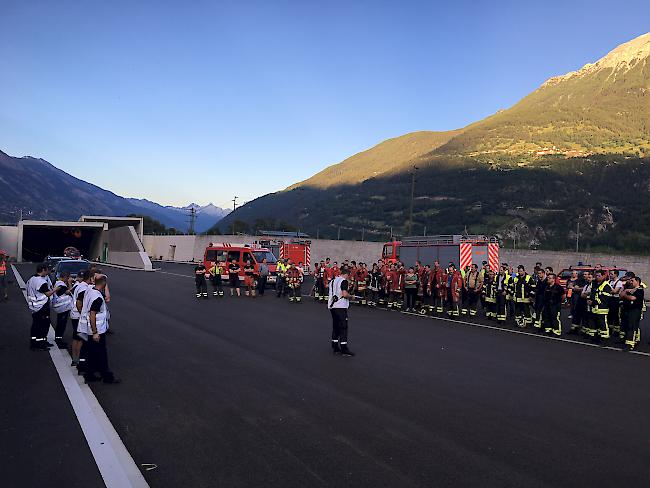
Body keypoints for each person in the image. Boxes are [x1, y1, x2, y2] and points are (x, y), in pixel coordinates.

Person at [79, 275, 120, 384]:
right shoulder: (97, 298)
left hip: (88, 329)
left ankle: (90, 375)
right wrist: (95, 332)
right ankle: (107, 377)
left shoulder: (90, 290)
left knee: (92, 354)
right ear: (104, 284)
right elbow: (93, 314)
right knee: (101, 354)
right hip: (97, 331)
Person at [26, 264, 60, 350]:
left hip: (34, 306)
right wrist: (56, 289)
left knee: (36, 325)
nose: (48, 272)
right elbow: (48, 293)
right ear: (43, 270)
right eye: (47, 270)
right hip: (41, 306)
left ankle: (35, 343)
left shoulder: (32, 279)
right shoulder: (41, 282)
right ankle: (40, 344)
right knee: (43, 326)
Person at [328, 267, 354, 356]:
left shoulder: (333, 281)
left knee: (336, 326)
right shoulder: (344, 281)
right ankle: (344, 348)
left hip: (332, 306)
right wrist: (351, 297)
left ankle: (335, 346)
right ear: (347, 274)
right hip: (341, 306)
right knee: (343, 327)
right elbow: (344, 294)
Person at [70, 271, 92, 369]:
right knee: (81, 339)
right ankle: (78, 359)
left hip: (74, 314)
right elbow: (79, 303)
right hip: (79, 316)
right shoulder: (84, 288)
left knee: (76, 337)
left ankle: (75, 358)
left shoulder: (78, 285)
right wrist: (82, 313)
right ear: (89, 278)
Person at [587, 270, 613, 343]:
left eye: (599, 276)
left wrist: (594, 302)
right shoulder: (594, 283)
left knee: (602, 324)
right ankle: (594, 337)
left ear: (603, 276)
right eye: (596, 276)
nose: (597, 277)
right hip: (593, 307)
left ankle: (604, 338)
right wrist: (589, 299)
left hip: (602, 308)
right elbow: (591, 293)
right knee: (593, 323)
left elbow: (605, 298)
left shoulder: (606, 285)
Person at [620, 276, 644, 351]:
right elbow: (621, 295)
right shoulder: (629, 289)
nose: (630, 282)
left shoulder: (639, 290)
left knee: (632, 326)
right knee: (628, 326)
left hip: (635, 310)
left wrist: (625, 295)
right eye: (630, 281)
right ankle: (634, 341)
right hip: (628, 310)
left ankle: (630, 344)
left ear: (637, 281)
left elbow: (632, 298)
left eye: (632, 281)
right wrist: (626, 290)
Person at [52, 271, 74, 348]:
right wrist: (70, 283)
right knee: (61, 325)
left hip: (62, 308)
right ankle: (58, 341)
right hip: (62, 308)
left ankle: (58, 339)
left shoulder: (59, 283)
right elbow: (69, 292)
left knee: (61, 325)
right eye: (68, 278)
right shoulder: (61, 284)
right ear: (65, 277)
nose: (68, 279)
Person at [608, 270, 625, 338]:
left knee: (615, 315)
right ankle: (610, 329)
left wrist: (609, 290)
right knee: (609, 315)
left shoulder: (619, 282)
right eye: (610, 274)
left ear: (616, 274)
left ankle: (616, 331)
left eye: (611, 274)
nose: (610, 275)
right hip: (610, 300)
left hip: (615, 300)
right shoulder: (609, 281)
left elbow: (615, 291)